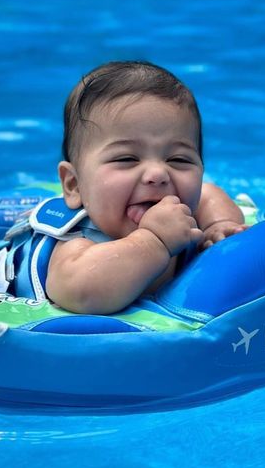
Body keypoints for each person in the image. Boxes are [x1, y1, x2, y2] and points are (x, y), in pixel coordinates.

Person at [42, 60, 247, 314]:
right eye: (127, 159)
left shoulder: (188, 214)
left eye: (178, 159)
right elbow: (79, 294)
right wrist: (154, 241)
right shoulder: (78, 244)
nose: (158, 173)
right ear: (75, 185)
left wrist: (219, 225)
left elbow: (208, 194)